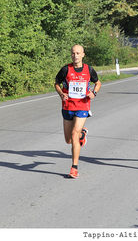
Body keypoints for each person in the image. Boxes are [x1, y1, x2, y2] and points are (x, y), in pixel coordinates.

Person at [54, 44, 102, 179]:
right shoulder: (65, 69)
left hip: (83, 106)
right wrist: (61, 94)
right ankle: (83, 134)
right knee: (68, 139)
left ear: (83, 55)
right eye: (73, 53)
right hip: (68, 106)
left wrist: (94, 93)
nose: (75, 56)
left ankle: (74, 167)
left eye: (78, 53)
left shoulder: (89, 70)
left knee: (74, 134)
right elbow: (56, 83)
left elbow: (98, 83)